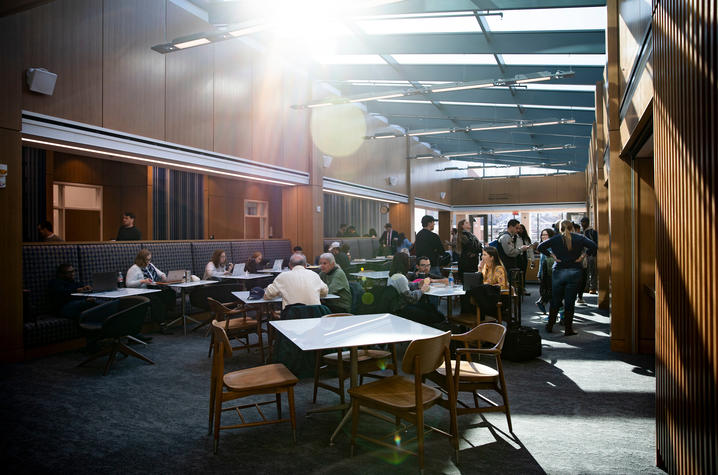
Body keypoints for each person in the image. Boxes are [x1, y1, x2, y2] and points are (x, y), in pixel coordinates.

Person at [537, 220, 598, 336]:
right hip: (575, 271)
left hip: (558, 271)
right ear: (572, 228)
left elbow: (540, 247)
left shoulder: (555, 239)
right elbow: (594, 246)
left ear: (559, 228)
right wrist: (582, 256)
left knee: (556, 300)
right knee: (570, 301)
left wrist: (552, 256)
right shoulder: (579, 238)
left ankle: (550, 326)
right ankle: (568, 329)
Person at [126, 249, 175, 330]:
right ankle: (161, 323)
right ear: (141, 259)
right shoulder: (134, 269)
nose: (149, 261)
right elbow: (128, 284)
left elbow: (160, 273)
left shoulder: (150, 265)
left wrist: (163, 276)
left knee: (170, 293)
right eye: (147, 260)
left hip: (153, 288)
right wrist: (143, 281)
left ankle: (166, 314)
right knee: (157, 300)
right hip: (142, 291)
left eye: (150, 259)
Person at [264, 253, 328, 309]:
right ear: (305, 265)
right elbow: (325, 292)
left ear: (290, 265)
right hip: (314, 317)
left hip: (292, 317)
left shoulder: (282, 276)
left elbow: (268, 294)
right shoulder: (314, 275)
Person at [535, 228, 556, 314]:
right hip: (545, 273)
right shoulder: (542, 246)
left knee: (552, 293)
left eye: (545, 235)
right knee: (549, 292)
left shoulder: (552, 246)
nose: (543, 236)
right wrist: (539, 274)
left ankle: (542, 302)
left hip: (552, 273)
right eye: (542, 235)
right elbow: (541, 263)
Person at [581, 217, 598, 295]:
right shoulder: (583, 232)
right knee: (586, 272)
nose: (582, 224)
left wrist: (593, 254)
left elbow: (595, 243)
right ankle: (586, 287)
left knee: (592, 271)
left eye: (583, 222)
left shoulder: (592, 232)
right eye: (581, 222)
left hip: (591, 255)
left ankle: (593, 288)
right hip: (585, 254)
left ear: (587, 222)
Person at [516, 223, 535, 296]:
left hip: (524, 258)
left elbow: (530, 250)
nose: (520, 230)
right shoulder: (515, 238)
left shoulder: (526, 238)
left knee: (523, 274)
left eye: (521, 228)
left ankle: (523, 289)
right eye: (518, 228)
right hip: (517, 257)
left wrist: (533, 260)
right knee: (517, 275)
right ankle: (517, 289)